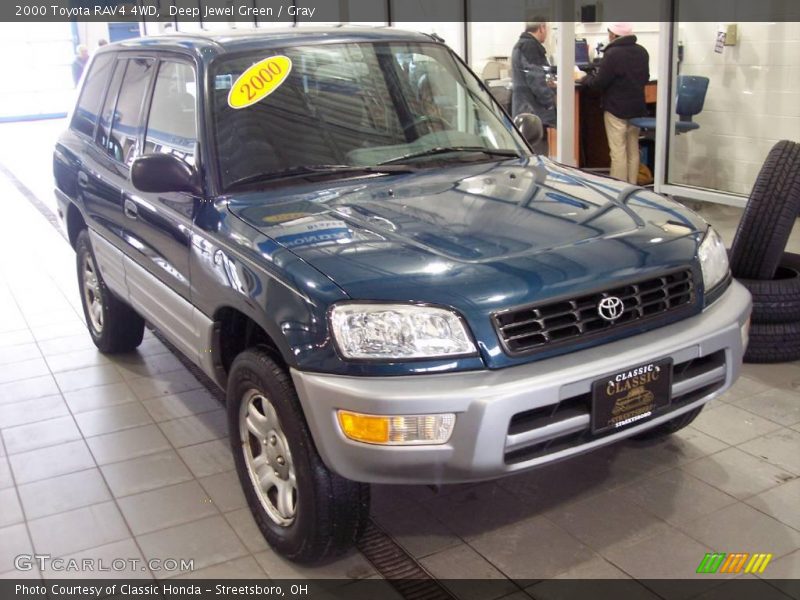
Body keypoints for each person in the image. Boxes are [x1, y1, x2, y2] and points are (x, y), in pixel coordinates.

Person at [581, 22, 649, 184]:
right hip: (637, 109)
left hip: (616, 109)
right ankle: (633, 189)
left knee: (618, 151)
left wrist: (584, 78)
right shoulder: (642, 52)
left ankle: (618, 190)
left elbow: (599, 83)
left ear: (612, 34)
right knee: (633, 150)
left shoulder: (612, 54)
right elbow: (645, 78)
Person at [511, 21, 555, 154]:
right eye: (547, 29)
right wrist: (550, 102)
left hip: (524, 109)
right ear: (541, 27)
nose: (547, 33)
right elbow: (536, 79)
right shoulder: (530, 46)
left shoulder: (521, 44)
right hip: (533, 111)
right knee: (538, 155)